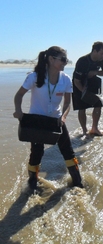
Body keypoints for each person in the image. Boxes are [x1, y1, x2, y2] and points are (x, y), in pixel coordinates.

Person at [13, 46, 83, 191]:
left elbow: (67, 103)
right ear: (51, 59)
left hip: (56, 120)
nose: (65, 63)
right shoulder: (34, 77)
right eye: (63, 60)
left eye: (67, 60)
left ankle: (78, 183)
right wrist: (18, 111)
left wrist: (63, 117)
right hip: (36, 121)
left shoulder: (65, 79)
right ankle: (32, 183)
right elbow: (18, 95)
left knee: (68, 151)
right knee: (37, 153)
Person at [72, 41, 103, 136]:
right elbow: (76, 81)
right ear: (94, 51)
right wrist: (83, 91)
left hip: (92, 82)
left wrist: (95, 72)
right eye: (101, 53)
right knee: (82, 107)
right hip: (79, 83)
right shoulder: (82, 61)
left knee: (98, 103)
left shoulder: (102, 59)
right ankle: (84, 130)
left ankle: (95, 128)